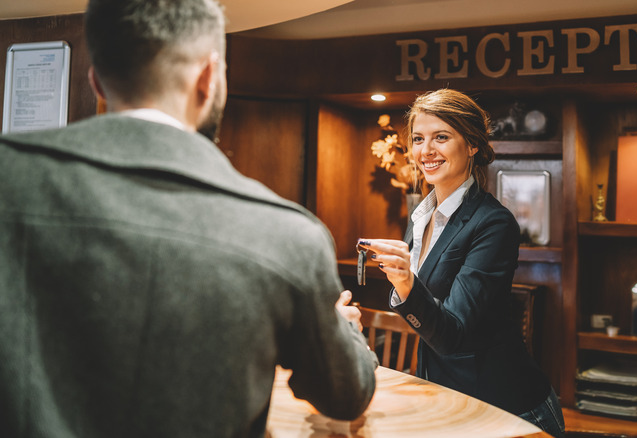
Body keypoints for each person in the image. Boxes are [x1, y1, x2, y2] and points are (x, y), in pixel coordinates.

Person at [0, 1, 376, 437]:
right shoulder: (288, 235)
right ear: (208, 78)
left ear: (97, 81)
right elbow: (344, 395)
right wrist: (344, 331)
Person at [358, 89, 565, 437]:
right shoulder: (421, 217)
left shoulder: (493, 224)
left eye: (441, 137)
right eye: (419, 138)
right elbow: (424, 312)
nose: (426, 150)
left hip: (508, 408)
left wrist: (407, 283)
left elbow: (451, 333)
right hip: (448, 399)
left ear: (471, 145)